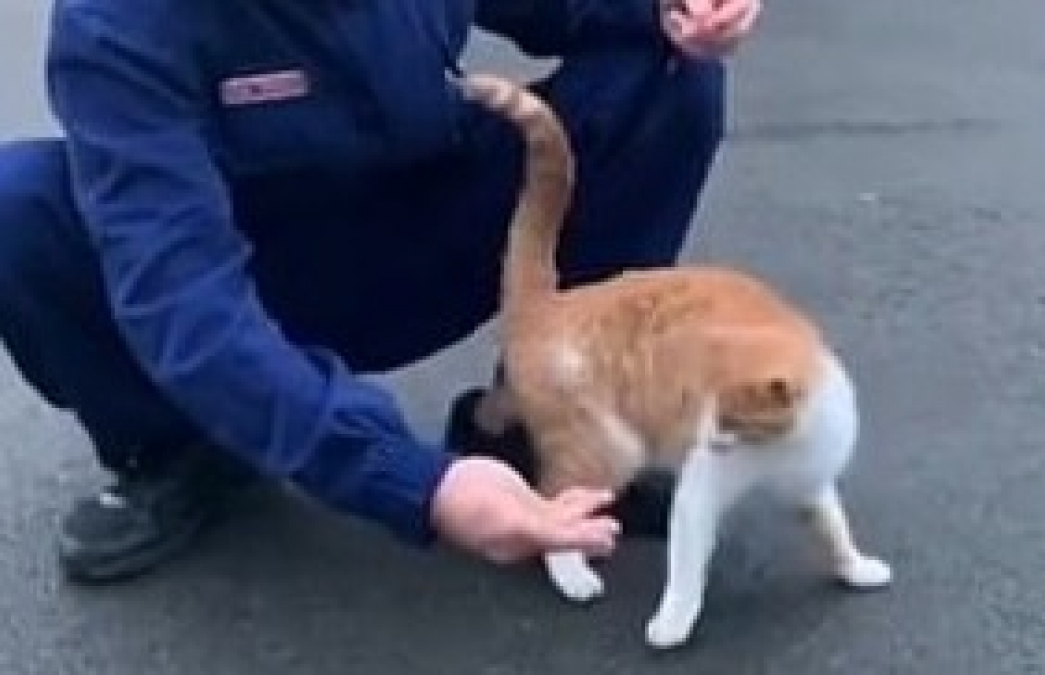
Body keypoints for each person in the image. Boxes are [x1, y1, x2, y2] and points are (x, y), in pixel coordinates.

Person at [0, 0, 761, 584]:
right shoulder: (119, 24)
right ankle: (177, 444)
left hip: (420, 236)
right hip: (244, 285)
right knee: (16, 206)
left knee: (668, 71)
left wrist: (675, 7)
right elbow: (182, 299)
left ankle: (541, 428)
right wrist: (414, 482)